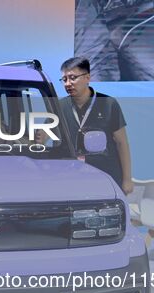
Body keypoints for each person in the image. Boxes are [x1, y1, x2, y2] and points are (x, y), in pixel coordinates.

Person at [58, 57, 134, 194]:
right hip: (72, 178)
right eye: (64, 80)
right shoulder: (60, 106)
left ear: (87, 78)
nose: (68, 83)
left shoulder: (109, 103)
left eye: (72, 78)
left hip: (107, 175)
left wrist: (127, 179)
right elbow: (42, 139)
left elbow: (122, 143)